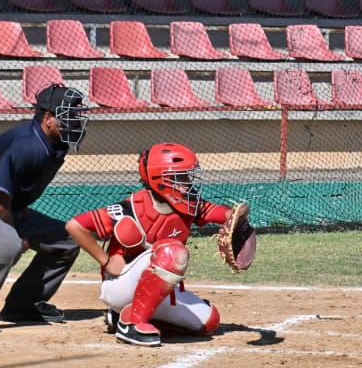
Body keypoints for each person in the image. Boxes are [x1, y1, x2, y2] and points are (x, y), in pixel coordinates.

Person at [64, 143, 245, 347]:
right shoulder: (131, 207)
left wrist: (240, 221)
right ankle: (132, 325)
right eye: (180, 177)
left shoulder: (189, 204)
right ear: (159, 179)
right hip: (121, 283)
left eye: (188, 176)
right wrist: (105, 261)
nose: (187, 183)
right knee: (172, 251)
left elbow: (227, 214)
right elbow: (75, 226)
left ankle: (126, 315)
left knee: (209, 322)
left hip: (159, 290)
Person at [0, 84, 90, 333]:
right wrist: (18, 233)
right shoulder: (28, 145)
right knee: (8, 243)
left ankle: (23, 305)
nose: (75, 122)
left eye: (77, 116)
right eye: (69, 116)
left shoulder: (56, 143)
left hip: (6, 207)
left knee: (67, 241)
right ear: (48, 118)